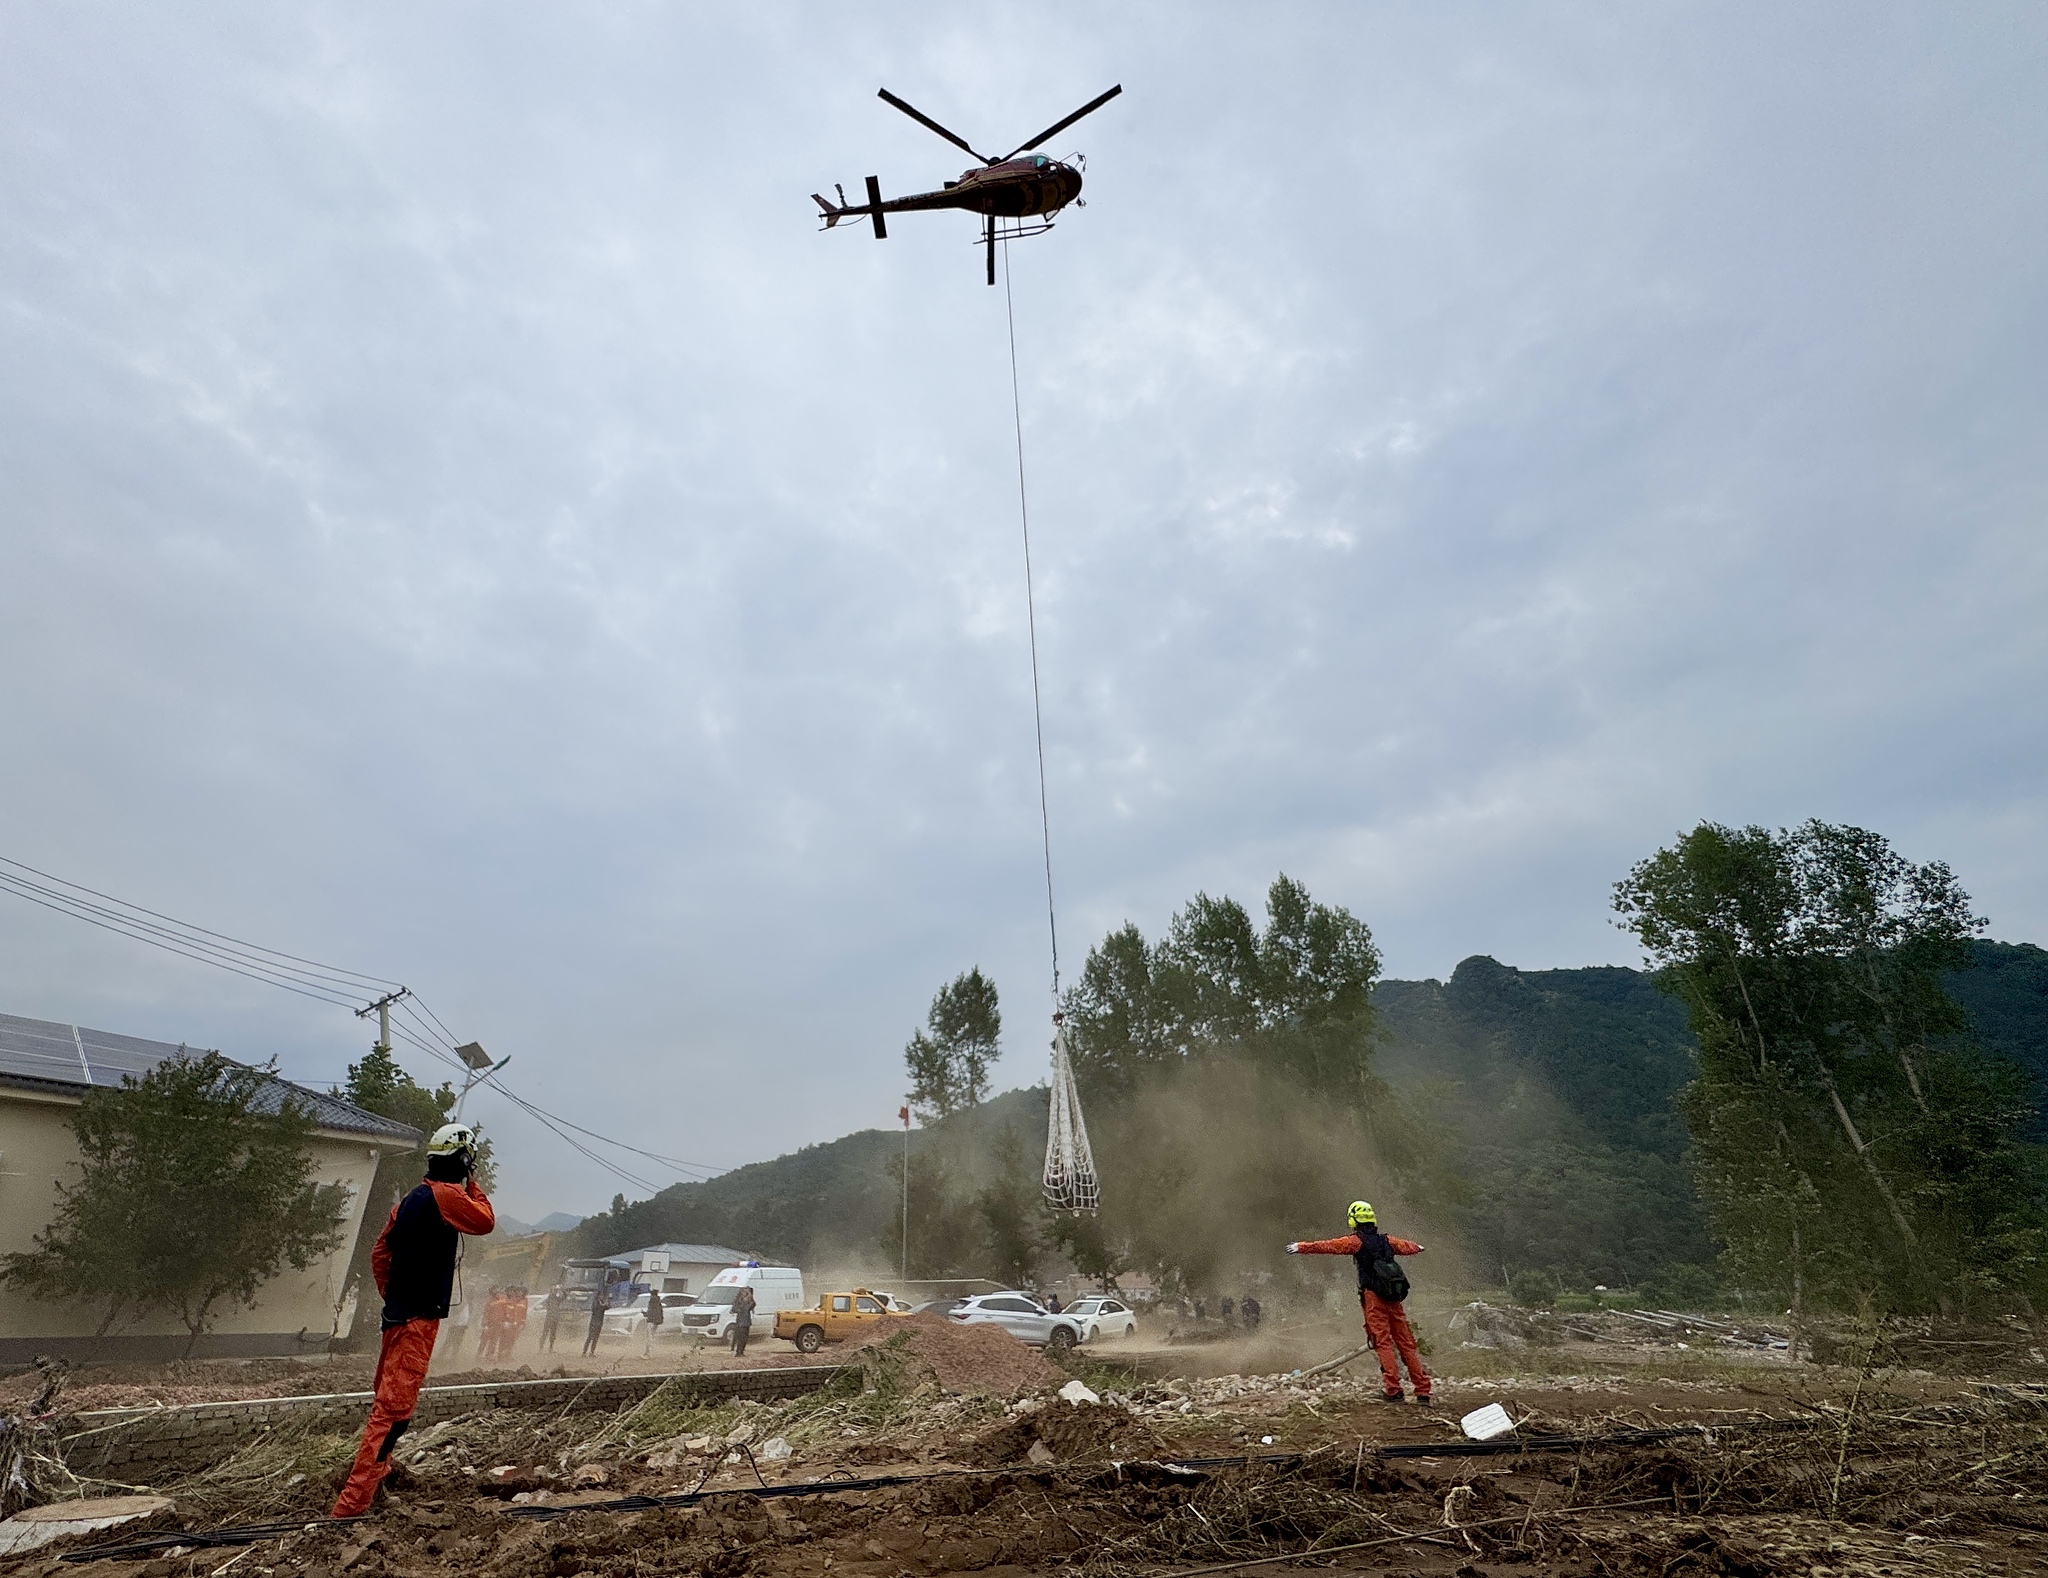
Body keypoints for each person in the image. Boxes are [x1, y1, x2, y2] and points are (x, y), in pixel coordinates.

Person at [331, 1123, 495, 1517]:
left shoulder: (407, 1201)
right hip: (417, 1322)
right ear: (464, 1161)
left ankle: (377, 1483)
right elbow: (485, 1221)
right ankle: (350, 1507)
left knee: (393, 1409)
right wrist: (474, 1185)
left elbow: (379, 1254)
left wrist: (395, 1297)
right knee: (391, 1415)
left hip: (397, 1319)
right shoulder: (447, 1195)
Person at [1286, 1201, 1431, 1405]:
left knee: (1383, 1342)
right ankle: (1423, 1391)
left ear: (1353, 1220)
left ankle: (1393, 1390)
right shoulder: (1386, 1240)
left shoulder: (1356, 1242)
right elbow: (1408, 1247)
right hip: (1393, 1297)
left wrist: (1301, 1247)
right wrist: (1417, 1247)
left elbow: (1329, 1246)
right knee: (1406, 1342)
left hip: (1373, 1297)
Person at [729, 1284, 756, 1358]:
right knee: (740, 1337)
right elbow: (733, 1310)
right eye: (744, 1292)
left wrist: (749, 1298)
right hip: (740, 1322)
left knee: (744, 1338)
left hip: (746, 1322)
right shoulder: (739, 1301)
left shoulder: (749, 1301)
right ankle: (738, 1352)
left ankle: (741, 1351)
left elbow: (752, 1305)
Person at [582, 1286, 607, 1357]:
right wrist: (603, 1304)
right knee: (590, 1338)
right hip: (594, 1323)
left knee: (595, 1338)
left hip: (599, 1323)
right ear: (599, 1296)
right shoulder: (595, 1302)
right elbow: (597, 1308)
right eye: (601, 1295)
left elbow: (607, 1307)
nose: (602, 1296)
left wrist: (607, 1302)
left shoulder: (601, 1302)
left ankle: (591, 1352)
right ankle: (584, 1352)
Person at [641, 1284, 664, 1355]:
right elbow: (659, 1312)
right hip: (656, 1321)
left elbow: (651, 1312)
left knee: (649, 1336)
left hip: (651, 1320)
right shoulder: (658, 1302)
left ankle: (648, 1352)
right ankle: (648, 1351)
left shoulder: (652, 1301)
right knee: (651, 1335)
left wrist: (645, 1314)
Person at [540, 1285, 564, 1353]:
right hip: (549, 1318)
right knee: (545, 1333)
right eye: (555, 1290)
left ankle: (550, 1348)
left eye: (557, 1290)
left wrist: (561, 1290)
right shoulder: (550, 1297)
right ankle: (541, 1348)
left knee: (553, 1334)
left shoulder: (558, 1298)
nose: (556, 1291)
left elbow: (563, 1297)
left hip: (555, 1318)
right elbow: (546, 1305)